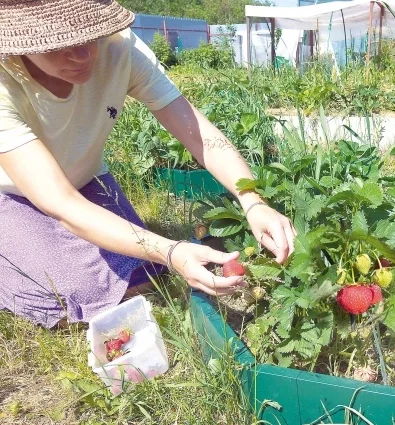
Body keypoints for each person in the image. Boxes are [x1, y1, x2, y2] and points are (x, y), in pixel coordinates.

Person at [0, 0, 297, 329]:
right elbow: (59, 201)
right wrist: (171, 251)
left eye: (89, 36)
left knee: (143, 275)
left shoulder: (118, 48)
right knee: (74, 293)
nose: (82, 56)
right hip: (12, 191)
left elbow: (198, 134)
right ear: (20, 43)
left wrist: (253, 200)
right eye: (59, 45)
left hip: (84, 179)